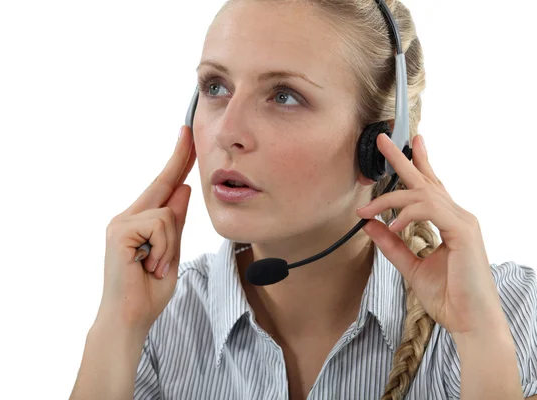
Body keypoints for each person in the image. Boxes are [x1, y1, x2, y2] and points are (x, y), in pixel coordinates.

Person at [69, 0, 537, 399]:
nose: (227, 132)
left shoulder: (512, 314)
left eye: (284, 96)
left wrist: (481, 341)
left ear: (380, 142)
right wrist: (117, 328)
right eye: (216, 87)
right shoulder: (155, 321)